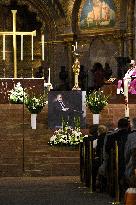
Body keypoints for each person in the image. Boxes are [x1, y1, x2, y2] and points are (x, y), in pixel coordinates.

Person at [124, 117, 136, 187]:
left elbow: (127, 153)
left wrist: (126, 161)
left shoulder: (131, 136)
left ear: (132, 125)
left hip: (133, 166)